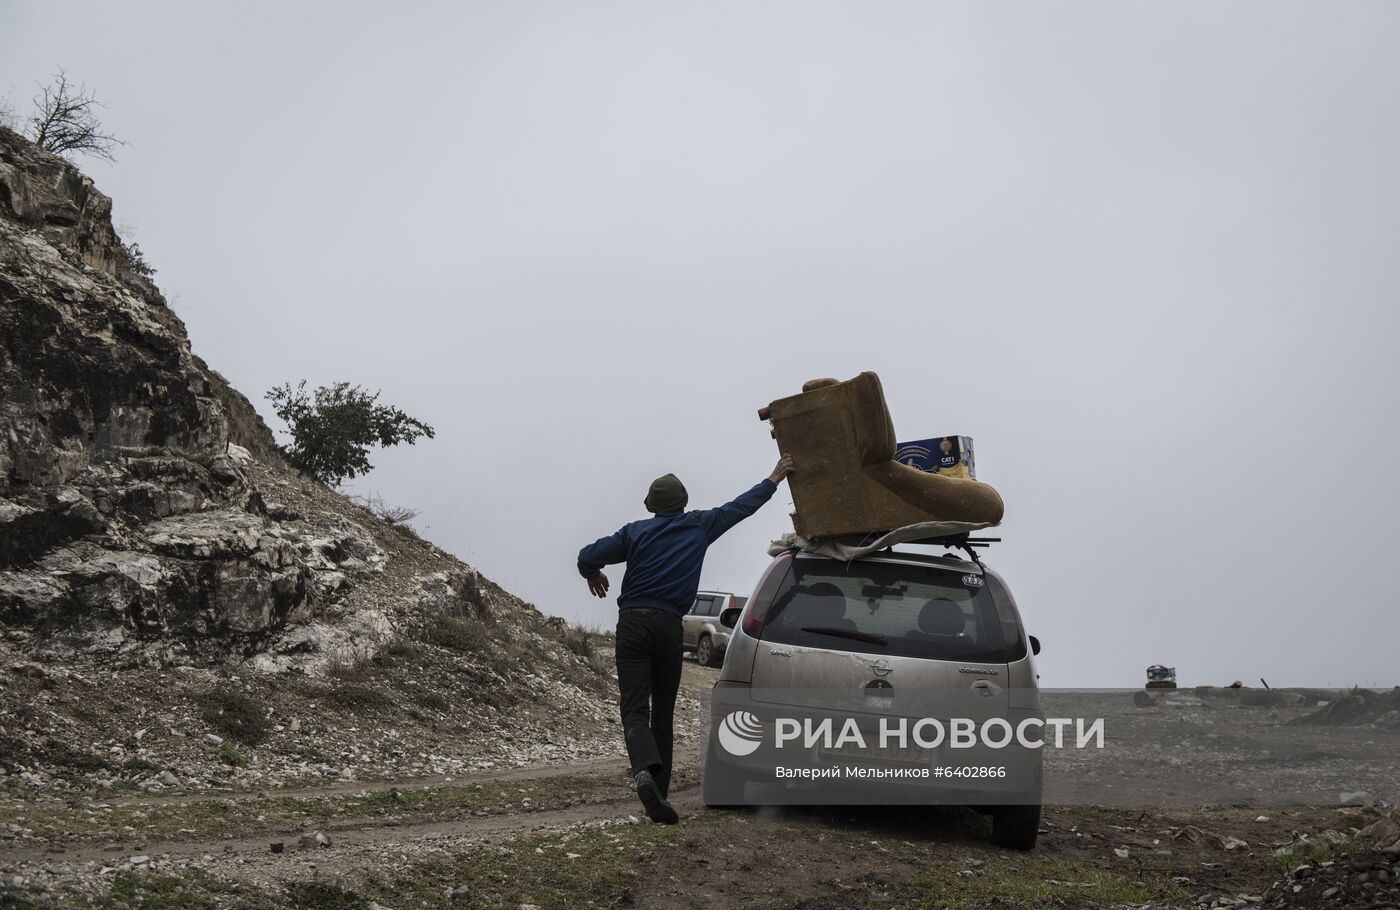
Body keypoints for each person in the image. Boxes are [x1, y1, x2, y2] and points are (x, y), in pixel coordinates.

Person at [577, 455, 794, 823]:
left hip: (632, 624)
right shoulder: (700, 525)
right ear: (683, 502)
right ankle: (658, 795)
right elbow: (742, 506)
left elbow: (586, 556)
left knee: (634, 708)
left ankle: (643, 773)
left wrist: (592, 573)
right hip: (667, 627)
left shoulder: (634, 533)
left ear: (652, 506)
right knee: (663, 711)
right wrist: (775, 477)